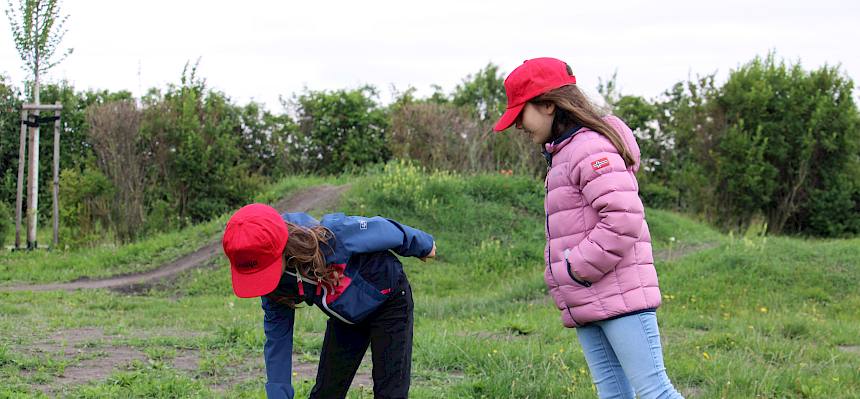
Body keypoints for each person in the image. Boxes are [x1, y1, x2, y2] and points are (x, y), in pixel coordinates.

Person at [493, 57, 684, 399]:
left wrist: (577, 267)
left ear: (549, 104)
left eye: (520, 114)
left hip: (618, 295)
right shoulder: (564, 153)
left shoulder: (590, 148)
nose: (518, 126)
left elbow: (623, 217)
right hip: (588, 297)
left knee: (654, 391)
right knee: (613, 394)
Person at [222, 203, 436, 399]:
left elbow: (382, 229)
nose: (263, 282)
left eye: (264, 270)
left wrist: (423, 245)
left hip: (389, 301)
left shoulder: (332, 235)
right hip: (346, 316)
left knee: (390, 393)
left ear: (281, 249)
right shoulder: (274, 285)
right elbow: (278, 337)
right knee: (325, 394)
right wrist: (278, 394)